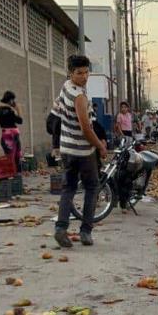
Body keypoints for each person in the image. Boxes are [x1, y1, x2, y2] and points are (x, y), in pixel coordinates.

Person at [53, 55, 107, 248]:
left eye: (86, 72)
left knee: (68, 188)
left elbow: (56, 114)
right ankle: (86, 231)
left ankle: (61, 228)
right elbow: (86, 128)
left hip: (67, 149)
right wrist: (100, 146)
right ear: (71, 73)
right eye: (79, 73)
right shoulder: (79, 97)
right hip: (83, 152)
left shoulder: (65, 87)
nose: (84, 76)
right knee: (92, 188)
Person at [0, 91, 23, 172]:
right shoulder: (10, 111)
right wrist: (18, 110)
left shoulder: (1, 109)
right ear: (10, 100)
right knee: (16, 157)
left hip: (5, 135)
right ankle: (15, 175)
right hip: (12, 136)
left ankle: (12, 174)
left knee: (10, 157)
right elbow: (20, 121)